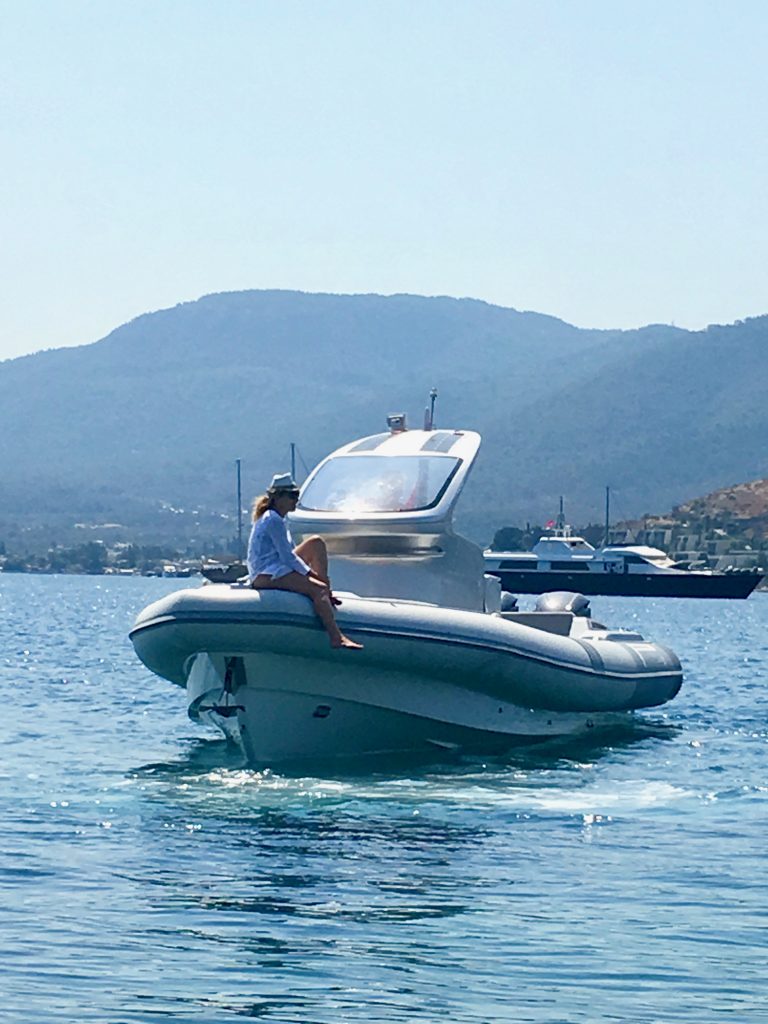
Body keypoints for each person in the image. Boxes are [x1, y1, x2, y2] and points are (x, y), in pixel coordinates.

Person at [247, 473, 363, 650]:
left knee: (316, 543)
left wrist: (314, 576)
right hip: (267, 573)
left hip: (276, 567)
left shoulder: (278, 519)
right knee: (318, 589)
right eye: (292, 496)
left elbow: (289, 554)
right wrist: (312, 576)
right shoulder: (272, 520)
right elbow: (287, 557)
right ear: (278, 498)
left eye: (297, 495)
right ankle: (336, 636)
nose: (296, 500)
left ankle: (325, 592)